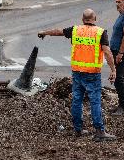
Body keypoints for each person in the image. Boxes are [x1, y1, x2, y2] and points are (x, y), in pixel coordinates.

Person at [38, 9, 117, 142]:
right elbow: (107, 52)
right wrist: (113, 69)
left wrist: (44, 32)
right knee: (95, 101)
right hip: (92, 74)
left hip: (77, 73)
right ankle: (99, 131)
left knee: (77, 100)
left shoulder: (75, 30)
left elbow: (59, 31)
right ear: (95, 18)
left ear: (82, 19)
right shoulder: (100, 32)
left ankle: (78, 128)